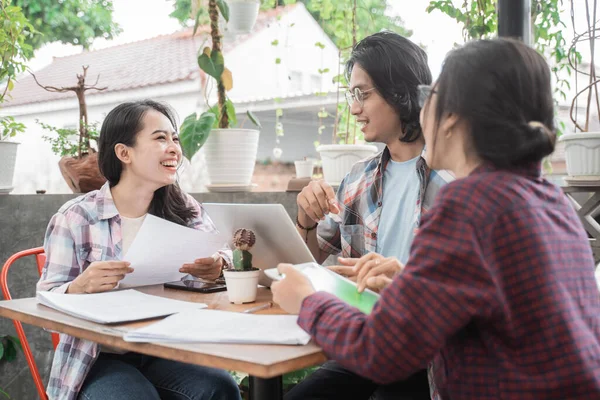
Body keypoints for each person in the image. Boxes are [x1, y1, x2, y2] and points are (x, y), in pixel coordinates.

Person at [273, 38, 600, 399]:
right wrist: (411, 282)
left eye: (430, 95)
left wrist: (308, 302)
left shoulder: (469, 203)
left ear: (453, 119)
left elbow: (383, 352)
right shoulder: (551, 199)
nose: (420, 105)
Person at [37, 100, 241, 400]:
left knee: (219, 387)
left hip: (165, 347)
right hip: (98, 357)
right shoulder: (76, 217)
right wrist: (77, 287)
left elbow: (220, 253)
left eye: (175, 138)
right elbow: (44, 309)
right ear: (124, 153)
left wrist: (217, 266)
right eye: (160, 138)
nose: (174, 148)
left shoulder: (184, 208)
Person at [288, 31, 451, 400]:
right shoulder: (358, 180)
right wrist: (305, 220)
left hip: (432, 357)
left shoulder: (453, 179)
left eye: (363, 94)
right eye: (352, 95)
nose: (354, 107)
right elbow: (308, 262)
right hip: (368, 342)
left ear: (400, 92)